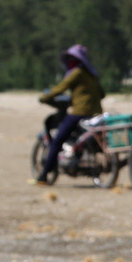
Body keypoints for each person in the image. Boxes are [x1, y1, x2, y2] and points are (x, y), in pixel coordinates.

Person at [34, 44, 105, 184]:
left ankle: (44, 176)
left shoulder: (77, 73)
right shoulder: (92, 74)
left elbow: (60, 88)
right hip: (96, 114)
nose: (69, 62)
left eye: (71, 59)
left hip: (80, 113)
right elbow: (102, 94)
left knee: (57, 141)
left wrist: (44, 98)